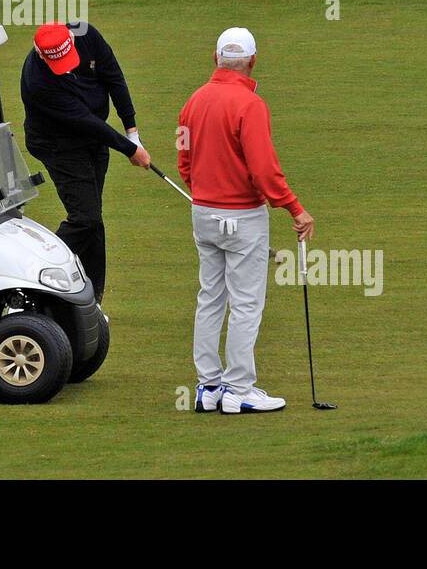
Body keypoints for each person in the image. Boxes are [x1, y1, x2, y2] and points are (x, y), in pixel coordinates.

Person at [177, 27, 315, 415]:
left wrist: (205, 191)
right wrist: (294, 208)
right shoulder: (250, 104)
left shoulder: (192, 102)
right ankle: (238, 389)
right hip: (242, 217)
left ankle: (208, 387)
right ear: (253, 61)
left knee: (211, 298)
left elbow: (183, 158)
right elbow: (264, 171)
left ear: (214, 56)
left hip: (202, 212)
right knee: (246, 303)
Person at [20, 21, 150, 303]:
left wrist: (133, 133)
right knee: (85, 218)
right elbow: (84, 120)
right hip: (58, 144)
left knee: (93, 221)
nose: (66, 68)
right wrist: (129, 150)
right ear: (40, 54)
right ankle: (30, 272)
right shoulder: (37, 82)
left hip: (92, 141)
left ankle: (93, 300)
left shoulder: (85, 33)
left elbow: (113, 76)